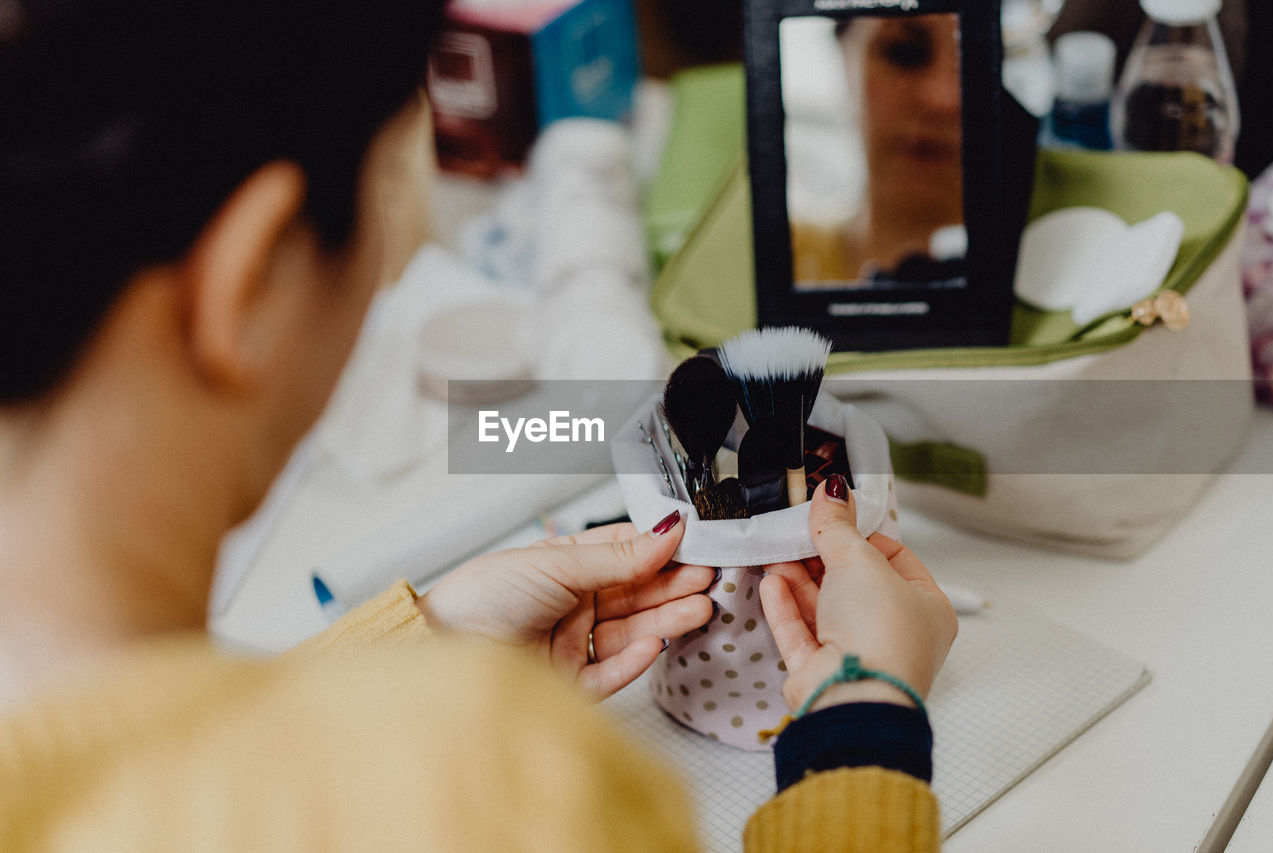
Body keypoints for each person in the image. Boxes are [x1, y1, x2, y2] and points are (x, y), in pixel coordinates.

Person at [0, 2, 957, 850]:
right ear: (245, 285)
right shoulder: (504, 790)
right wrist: (862, 729)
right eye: (384, 201)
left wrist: (427, 647)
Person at [791, 13, 966, 287]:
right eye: (904, 51)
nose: (942, 98)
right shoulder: (760, 255)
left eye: (979, 62)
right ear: (844, 58)